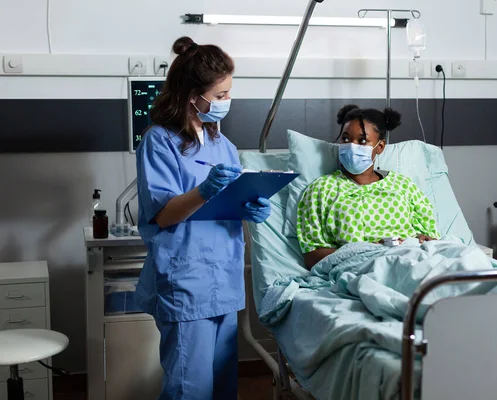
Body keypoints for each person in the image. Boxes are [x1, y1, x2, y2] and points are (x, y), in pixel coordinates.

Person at [135, 36, 271, 400]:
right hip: (186, 279)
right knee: (189, 388)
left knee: (224, 385)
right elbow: (163, 215)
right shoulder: (159, 141)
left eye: (228, 93)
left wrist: (250, 207)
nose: (226, 102)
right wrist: (204, 190)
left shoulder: (222, 144)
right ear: (192, 95)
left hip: (223, 278)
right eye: (221, 95)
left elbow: (225, 205)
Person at [297, 104, 439, 269]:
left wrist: (423, 240)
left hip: (413, 259)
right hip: (363, 268)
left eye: (362, 140)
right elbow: (311, 255)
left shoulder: (403, 186)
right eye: (345, 138)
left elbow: (431, 238)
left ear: (380, 147)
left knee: (468, 257)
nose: (351, 146)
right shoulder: (322, 189)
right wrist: (370, 250)